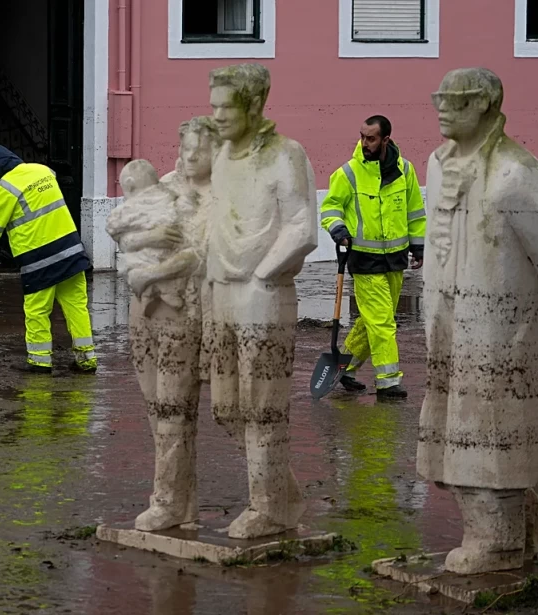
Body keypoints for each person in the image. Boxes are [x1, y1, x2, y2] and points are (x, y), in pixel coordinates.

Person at [418, 67, 538, 574]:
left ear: (484, 104)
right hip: (447, 313)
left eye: (455, 99)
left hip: (497, 321)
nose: (442, 107)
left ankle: (500, 540)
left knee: (489, 427)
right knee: (450, 426)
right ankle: (521, 523)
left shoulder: (513, 171)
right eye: (439, 97)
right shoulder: (438, 165)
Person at [207, 64, 317, 538]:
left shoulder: (285, 155)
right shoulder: (221, 156)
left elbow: (301, 226)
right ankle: (283, 495)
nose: (215, 116)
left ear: (252, 105)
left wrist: (263, 273)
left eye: (224, 106)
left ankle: (268, 507)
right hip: (222, 290)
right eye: (212, 106)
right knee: (225, 405)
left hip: (262, 294)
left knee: (263, 406)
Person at [106, 116, 218, 532]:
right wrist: (141, 244)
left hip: (184, 311)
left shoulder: (218, 199)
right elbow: (124, 230)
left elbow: (203, 255)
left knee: (173, 409)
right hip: (144, 309)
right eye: (184, 147)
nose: (188, 156)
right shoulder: (165, 186)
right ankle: (182, 502)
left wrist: (151, 271)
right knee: (156, 409)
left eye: (198, 149)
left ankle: (168, 501)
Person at [0, 143, 96, 374]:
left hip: (40, 260)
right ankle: (86, 360)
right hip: (71, 252)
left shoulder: (6, 188)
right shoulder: (43, 171)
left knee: (37, 311)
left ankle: (39, 361)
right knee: (77, 308)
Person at [320, 115, 426, 399]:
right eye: (362, 136)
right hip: (364, 260)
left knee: (373, 320)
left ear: (386, 140)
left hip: (395, 259)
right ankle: (388, 381)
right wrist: (338, 229)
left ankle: (344, 367)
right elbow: (330, 208)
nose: (364, 143)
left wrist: (419, 246)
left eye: (371, 138)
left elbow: (415, 211)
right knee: (382, 322)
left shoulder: (405, 170)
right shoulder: (349, 172)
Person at [108, 159, 198, 309]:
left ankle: (159, 290)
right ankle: (158, 291)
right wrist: (150, 237)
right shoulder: (167, 188)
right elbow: (124, 241)